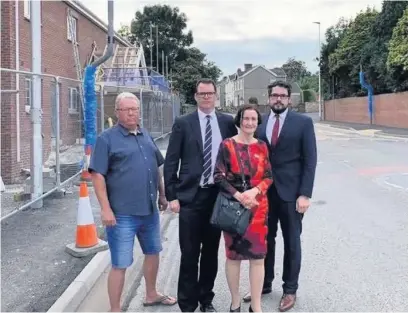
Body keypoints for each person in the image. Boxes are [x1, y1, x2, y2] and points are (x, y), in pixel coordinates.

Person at [89, 92, 177, 312]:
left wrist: (163, 195)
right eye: (126, 109)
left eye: (135, 109)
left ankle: (151, 294)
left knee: (153, 252)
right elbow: (97, 175)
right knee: (120, 263)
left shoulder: (144, 135)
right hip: (121, 214)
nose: (131, 113)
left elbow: (156, 167)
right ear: (117, 112)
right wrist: (105, 209)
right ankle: (115, 309)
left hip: (148, 210)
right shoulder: (106, 139)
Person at [163, 78, 238, 312]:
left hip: (217, 197)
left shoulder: (227, 122)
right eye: (202, 94)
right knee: (189, 253)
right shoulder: (183, 123)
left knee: (210, 253)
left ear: (216, 96)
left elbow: (235, 155)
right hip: (190, 197)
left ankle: (206, 299)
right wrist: (172, 195)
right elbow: (171, 161)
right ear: (195, 96)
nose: (206, 97)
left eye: (210, 93)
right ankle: (187, 304)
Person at [242, 81, 317, 312]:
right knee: (265, 240)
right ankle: (264, 283)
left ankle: (290, 289)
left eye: (282, 96)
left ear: (289, 99)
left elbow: (310, 160)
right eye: (274, 95)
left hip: (291, 194)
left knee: (292, 241)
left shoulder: (303, 123)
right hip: (264, 193)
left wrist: (305, 194)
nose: (278, 99)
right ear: (268, 98)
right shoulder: (260, 120)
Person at [213, 104, 273, 313]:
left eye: (253, 119)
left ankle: (256, 306)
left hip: (258, 208)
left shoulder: (263, 146)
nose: (249, 123)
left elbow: (268, 177)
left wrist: (254, 192)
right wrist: (240, 196)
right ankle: (235, 302)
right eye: (245, 118)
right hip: (233, 208)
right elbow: (218, 176)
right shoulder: (227, 145)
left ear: (258, 123)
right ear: (239, 121)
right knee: (233, 257)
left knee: (258, 258)